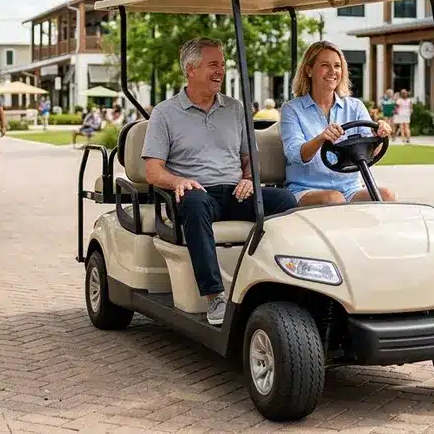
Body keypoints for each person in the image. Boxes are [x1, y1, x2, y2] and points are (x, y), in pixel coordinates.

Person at [142, 38, 299, 326]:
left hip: (235, 192)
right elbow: (153, 171)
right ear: (190, 69)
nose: (220, 71)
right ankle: (215, 296)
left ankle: (281, 286)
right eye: (213, 64)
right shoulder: (165, 113)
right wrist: (180, 181)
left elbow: (248, 158)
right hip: (196, 194)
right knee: (195, 202)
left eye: (222, 65)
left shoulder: (235, 109)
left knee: (286, 202)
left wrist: (250, 179)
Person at [280, 41, 395, 206]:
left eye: (337, 66)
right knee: (333, 199)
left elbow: (370, 153)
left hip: (350, 189)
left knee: (386, 195)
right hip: (307, 189)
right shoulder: (292, 109)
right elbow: (295, 154)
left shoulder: (355, 106)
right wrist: (321, 139)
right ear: (309, 70)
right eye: (325, 65)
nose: (333, 72)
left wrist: (379, 136)